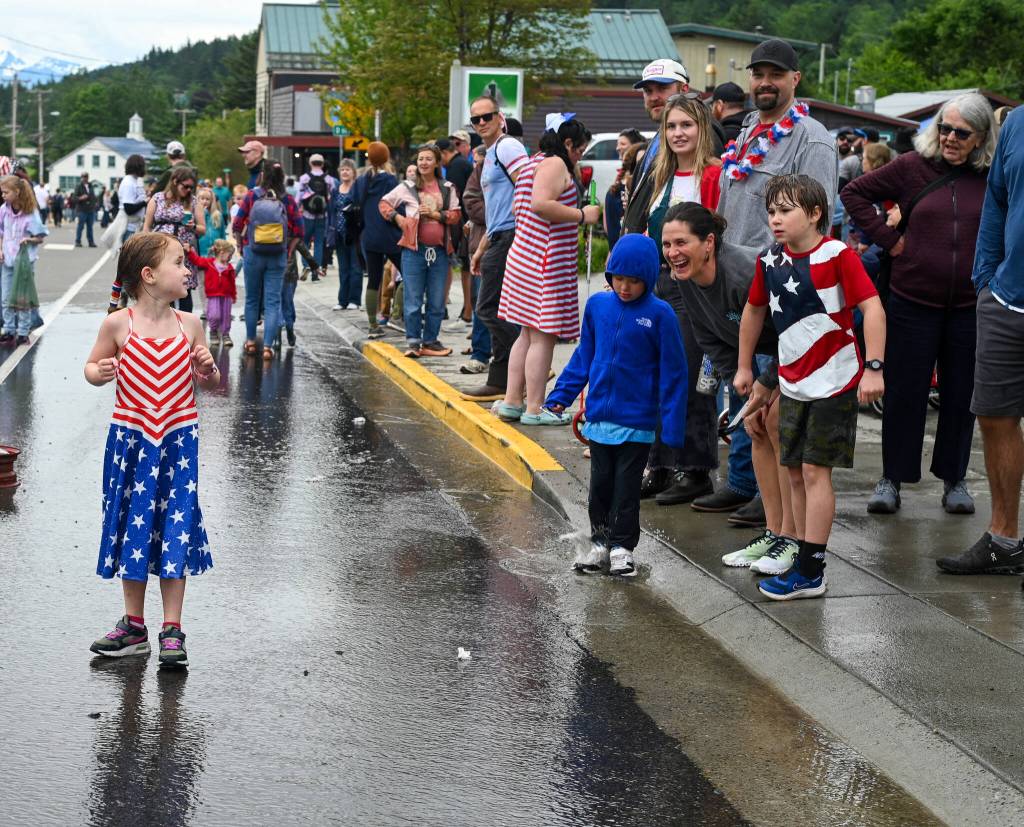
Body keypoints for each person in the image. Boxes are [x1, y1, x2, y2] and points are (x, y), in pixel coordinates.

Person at [700, 38, 839, 520]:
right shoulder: (745, 135)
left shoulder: (812, 138)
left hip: (783, 288)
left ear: (795, 80)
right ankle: (743, 484)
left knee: (773, 397)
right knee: (743, 391)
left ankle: (775, 503)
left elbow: (816, 221)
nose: (764, 82)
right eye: (758, 74)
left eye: (775, 74)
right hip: (737, 283)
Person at [843, 93, 997, 516]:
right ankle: (892, 478)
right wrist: (891, 241)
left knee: (961, 394)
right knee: (905, 393)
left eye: (961, 133)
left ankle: (955, 478)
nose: (949, 138)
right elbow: (854, 193)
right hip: (912, 301)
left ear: (981, 137)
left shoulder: (991, 175)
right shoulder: (912, 167)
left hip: (968, 304)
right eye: (944, 128)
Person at [735, 174, 884, 599]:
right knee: (795, 471)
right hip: (793, 380)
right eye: (772, 212)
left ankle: (812, 570)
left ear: (816, 213)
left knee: (817, 472)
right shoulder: (769, 260)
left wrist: (874, 367)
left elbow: (872, 308)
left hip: (835, 378)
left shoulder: (838, 255)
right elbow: (753, 311)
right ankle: (800, 557)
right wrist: (745, 366)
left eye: (786, 211)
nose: (775, 220)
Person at [84, 232, 218, 669]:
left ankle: (172, 630)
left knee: (174, 526)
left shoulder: (190, 325)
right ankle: (134, 625)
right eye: (179, 263)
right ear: (148, 275)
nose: (187, 270)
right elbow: (91, 366)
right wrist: (99, 371)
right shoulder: (118, 324)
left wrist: (208, 368)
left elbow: (210, 378)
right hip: (133, 443)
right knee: (132, 526)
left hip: (178, 443)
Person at [661, 203, 802, 572]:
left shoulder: (743, 272)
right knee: (756, 427)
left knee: (776, 427)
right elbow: (710, 338)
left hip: (804, 346)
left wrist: (766, 383)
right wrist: (746, 392)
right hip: (764, 354)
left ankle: (793, 540)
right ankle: (773, 533)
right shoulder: (686, 279)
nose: (672, 253)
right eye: (666, 244)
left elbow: (797, 331)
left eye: (681, 242)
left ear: (709, 242)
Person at [546, 234, 688, 576]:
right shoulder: (597, 306)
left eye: (634, 281)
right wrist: (561, 394)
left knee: (626, 490)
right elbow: (584, 355)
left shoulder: (660, 315)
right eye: (619, 278)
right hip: (599, 421)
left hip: (637, 423)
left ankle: (623, 548)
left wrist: (671, 426)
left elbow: (674, 372)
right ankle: (599, 544)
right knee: (599, 488)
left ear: (649, 279)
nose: (625, 287)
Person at [622, 93, 724, 508]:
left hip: (696, 286)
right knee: (654, 376)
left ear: (702, 129)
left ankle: (694, 469)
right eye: (671, 126)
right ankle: (660, 465)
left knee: (690, 378)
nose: (678, 133)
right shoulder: (657, 174)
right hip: (657, 284)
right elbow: (635, 225)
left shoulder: (717, 174)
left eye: (686, 125)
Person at [935, 107, 1024, 576]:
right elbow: (998, 202)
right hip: (1008, 299)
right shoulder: (1017, 123)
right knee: (994, 415)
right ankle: (1004, 542)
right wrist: (986, 278)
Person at [494, 115, 599, 424]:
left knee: (526, 335)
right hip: (545, 259)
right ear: (567, 144)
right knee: (543, 336)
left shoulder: (532, 163)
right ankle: (535, 409)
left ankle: (513, 401)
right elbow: (541, 204)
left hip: (525, 255)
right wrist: (582, 215)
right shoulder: (554, 164)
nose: (580, 155)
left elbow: (521, 207)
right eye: (579, 149)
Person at [462, 95, 531, 402]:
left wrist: (526, 234)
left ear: (499, 117)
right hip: (499, 236)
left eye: (486, 117)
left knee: (487, 308)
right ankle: (500, 379)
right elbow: (497, 210)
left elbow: (527, 189)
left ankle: (530, 363)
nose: (481, 124)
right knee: (500, 310)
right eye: (475, 120)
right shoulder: (490, 154)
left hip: (512, 236)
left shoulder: (507, 146)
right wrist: (479, 251)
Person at [380, 144, 461, 358]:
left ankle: (431, 341)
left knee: (436, 300)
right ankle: (413, 342)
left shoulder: (447, 187)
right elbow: (384, 204)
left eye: (428, 159)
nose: (423, 163)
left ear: (436, 163)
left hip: (440, 251)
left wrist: (436, 215)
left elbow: (456, 215)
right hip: (413, 251)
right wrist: (399, 219)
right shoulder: (406, 187)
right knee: (413, 300)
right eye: (420, 159)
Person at [232, 162, 302, 360]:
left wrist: (240, 245)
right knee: (273, 302)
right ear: (282, 176)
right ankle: (268, 347)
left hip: (253, 252)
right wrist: (288, 251)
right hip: (278, 255)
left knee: (252, 299)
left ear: (262, 175)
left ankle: (252, 341)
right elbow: (299, 230)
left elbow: (237, 224)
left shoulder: (252, 196)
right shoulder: (287, 199)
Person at [631, 58, 726, 197]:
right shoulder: (662, 133)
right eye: (648, 91)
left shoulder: (705, 130)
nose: (653, 97)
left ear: (684, 89)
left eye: (662, 88)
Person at [351, 141, 402, 338]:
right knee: (406, 274)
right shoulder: (389, 180)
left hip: (368, 236)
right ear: (386, 157)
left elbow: (354, 202)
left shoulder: (361, 180)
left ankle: (373, 324)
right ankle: (396, 313)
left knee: (373, 279)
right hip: (389, 235)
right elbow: (398, 203)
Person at [142, 166, 206, 314]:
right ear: (175, 182)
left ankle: (185, 329)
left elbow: (203, 229)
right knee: (162, 290)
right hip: (160, 251)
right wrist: (146, 248)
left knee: (184, 292)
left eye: (192, 187)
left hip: (183, 253)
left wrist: (193, 226)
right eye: (186, 186)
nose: (189, 190)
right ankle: (165, 327)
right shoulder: (157, 198)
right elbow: (146, 227)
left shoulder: (194, 202)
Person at [0, 176, 48, 345]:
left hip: (25, 262)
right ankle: (9, 329)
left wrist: (28, 240)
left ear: (17, 192)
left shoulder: (30, 213)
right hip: (7, 260)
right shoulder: (3, 210)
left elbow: (40, 237)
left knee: (23, 297)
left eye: (6, 192)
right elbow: (1, 232)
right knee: (5, 297)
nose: (3, 195)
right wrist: (0, 249)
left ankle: (22, 331)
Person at [459, 144, 492, 374]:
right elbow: (470, 201)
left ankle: (509, 356)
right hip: (484, 244)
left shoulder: (519, 168)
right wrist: (498, 213)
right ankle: (479, 353)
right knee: (482, 302)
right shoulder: (481, 169)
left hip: (514, 245)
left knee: (512, 307)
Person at [186, 239, 236, 347]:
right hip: (213, 296)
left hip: (226, 296)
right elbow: (197, 260)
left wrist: (233, 295)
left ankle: (226, 334)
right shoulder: (209, 263)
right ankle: (213, 332)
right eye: (229, 255)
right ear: (222, 252)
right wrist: (190, 252)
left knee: (226, 316)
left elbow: (232, 282)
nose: (230, 257)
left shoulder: (229, 267)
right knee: (214, 315)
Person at [298, 153, 336, 281]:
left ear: (310, 163)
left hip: (307, 214)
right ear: (322, 164)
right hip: (322, 215)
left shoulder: (304, 178)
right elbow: (332, 197)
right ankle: (316, 269)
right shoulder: (329, 179)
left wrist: (298, 208)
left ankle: (306, 265)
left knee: (305, 242)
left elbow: (298, 197)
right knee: (319, 242)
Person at [604, 128, 645, 250]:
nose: (617, 148)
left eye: (622, 144)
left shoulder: (638, 184)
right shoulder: (619, 182)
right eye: (617, 144)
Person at [332, 158, 362, 311]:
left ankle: (354, 300)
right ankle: (342, 300)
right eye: (342, 169)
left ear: (353, 172)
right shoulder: (335, 189)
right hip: (339, 233)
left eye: (348, 169)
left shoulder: (357, 188)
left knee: (355, 268)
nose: (345, 172)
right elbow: (332, 212)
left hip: (355, 234)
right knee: (343, 268)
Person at [117, 154, 148, 246]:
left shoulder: (134, 181)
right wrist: (145, 202)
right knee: (130, 259)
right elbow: (129, 209)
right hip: (129, 228)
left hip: (134, 227)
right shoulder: (128, 183)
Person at [74, 172, 97, 248]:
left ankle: (91, 242)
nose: (85, 178)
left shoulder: (90, 186)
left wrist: (95, 204)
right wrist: (81, 198)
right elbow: (74, 198)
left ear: (88, 177)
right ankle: (78, 241)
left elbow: (93, 196)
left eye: (86, 176)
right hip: (82, 210)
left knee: (90, 227)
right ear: (81, 177)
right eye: (83, 176)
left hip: (90, 210)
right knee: (80, 227)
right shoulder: (78, 186)